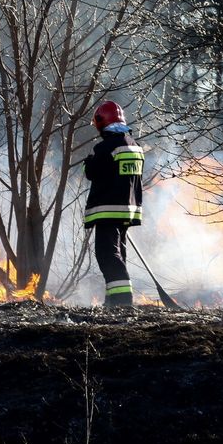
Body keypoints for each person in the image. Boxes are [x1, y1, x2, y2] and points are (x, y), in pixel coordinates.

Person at [82, 100, 144, 307]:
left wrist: (88, 162)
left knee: (107, 255)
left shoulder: (105, 147)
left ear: (102, 123)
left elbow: (91, 173)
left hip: (108, 210)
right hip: (128, 209)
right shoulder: (135, 146)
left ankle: (122, 302)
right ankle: (112, 301)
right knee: (118, 254)